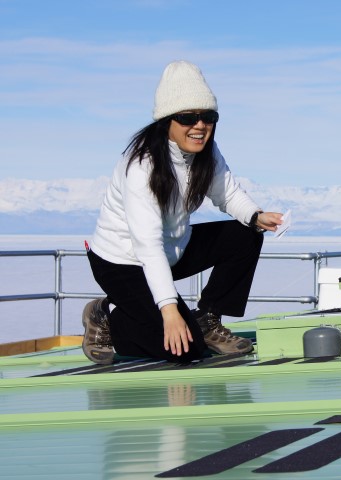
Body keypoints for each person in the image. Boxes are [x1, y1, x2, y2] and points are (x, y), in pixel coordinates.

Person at [82, 60, 283, 365]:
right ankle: (107, 317)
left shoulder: (205, 152)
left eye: (208, 117)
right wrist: (170, 309)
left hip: (173, 248)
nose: (199, 126)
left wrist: (256, 216)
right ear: (167, 121)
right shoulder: (142, 166)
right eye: (188, 117)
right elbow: (147, 247)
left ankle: (207, 319)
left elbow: (226, 193)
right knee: (185, 350)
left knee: (245, 234)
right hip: (123, 261)